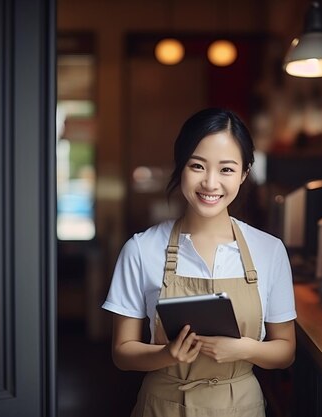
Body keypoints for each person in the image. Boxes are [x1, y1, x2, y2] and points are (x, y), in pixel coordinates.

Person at [102, 107, 297, 416]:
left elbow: (285, 350)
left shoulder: (269, 250)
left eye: (226, 169)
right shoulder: (141, 249)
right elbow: (122, 353)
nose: (210, 182)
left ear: (245, 173)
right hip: (163, 405)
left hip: (241, 406)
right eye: (197, 165)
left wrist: (243, 348)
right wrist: (168, 354)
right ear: (181, 167)